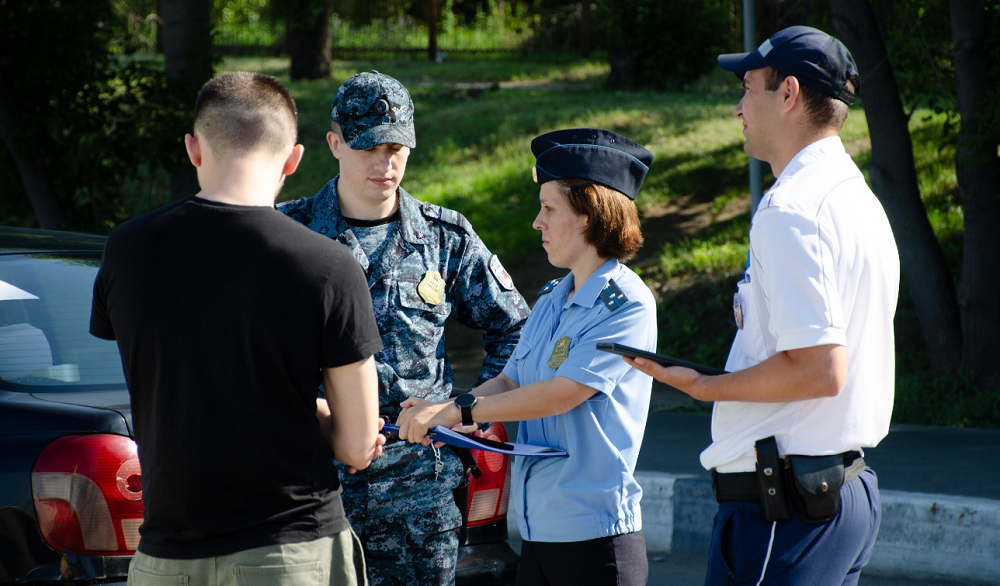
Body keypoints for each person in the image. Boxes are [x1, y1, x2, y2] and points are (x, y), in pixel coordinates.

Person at [627, 26, 901, 585]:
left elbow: (821, 368)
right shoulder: (856, 197)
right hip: (828, 494)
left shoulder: (793, 209)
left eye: (749, 87)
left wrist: (703, 386)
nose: (737, 107)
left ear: (789, 93)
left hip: (785, 511)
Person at [90, 72, 385, 586]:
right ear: (292, 159)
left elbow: (168, 378)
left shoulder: (128, 249)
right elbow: (357, 444)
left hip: (166, 556)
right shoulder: (328, 266)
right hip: (290, 549)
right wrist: (307, 405)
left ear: (193, 149)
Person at [278, 70, 530, 586]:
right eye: (368, 146)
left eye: (396, 146)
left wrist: (469, 407)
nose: (384, 162)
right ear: (334, 144)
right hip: (311, 486)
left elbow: (515, 329)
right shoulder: (290, 234)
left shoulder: (445, 238)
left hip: (420, 495)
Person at [397, 128, 658, 586]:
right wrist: (449, 414)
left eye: (549, 208)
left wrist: (456, 410)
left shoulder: (626, 302)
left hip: (596, 541)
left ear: (591, 216)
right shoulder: (555, 297)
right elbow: (512, 380)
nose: (537, 222)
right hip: (539, 535)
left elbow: (562, 394)